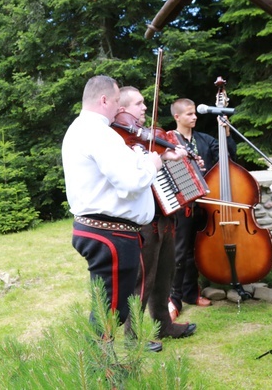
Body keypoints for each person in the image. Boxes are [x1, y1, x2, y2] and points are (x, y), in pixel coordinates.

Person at [62, 76, 181, 352]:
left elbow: (126, 170)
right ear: (104, 100)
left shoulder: (87, 130)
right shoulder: (97, 132)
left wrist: (157, 157)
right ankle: (101, 368)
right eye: (117, 101)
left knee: (107, 306)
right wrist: (152, 163)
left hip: (106, 231)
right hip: (109, 233)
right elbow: (130, 182)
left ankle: (104, 365)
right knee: (109, 312)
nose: (119, 109)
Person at [116, 87, 196, 340]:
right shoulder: (118, 142)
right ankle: (133, 335)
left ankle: (164, 325)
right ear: (122, 109)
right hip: (141, 220)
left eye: (143, 104)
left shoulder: (149, 138)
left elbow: (165, 171)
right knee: (143, 278)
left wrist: (177, 159)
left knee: (165, 272)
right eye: (138, 104)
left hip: (164, 214)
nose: (143, 108)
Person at [167, 98, 236, 322]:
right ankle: (174, 299)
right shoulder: (169, 141)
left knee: (196, 250)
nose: (194, 117)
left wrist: (226, 133)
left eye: (194, 113)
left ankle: (191, 293)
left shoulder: (204, 140)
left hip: (205, 203)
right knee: (180, 253)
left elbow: (228, 158)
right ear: (177, 117)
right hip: (182, 204)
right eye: (188, 114)